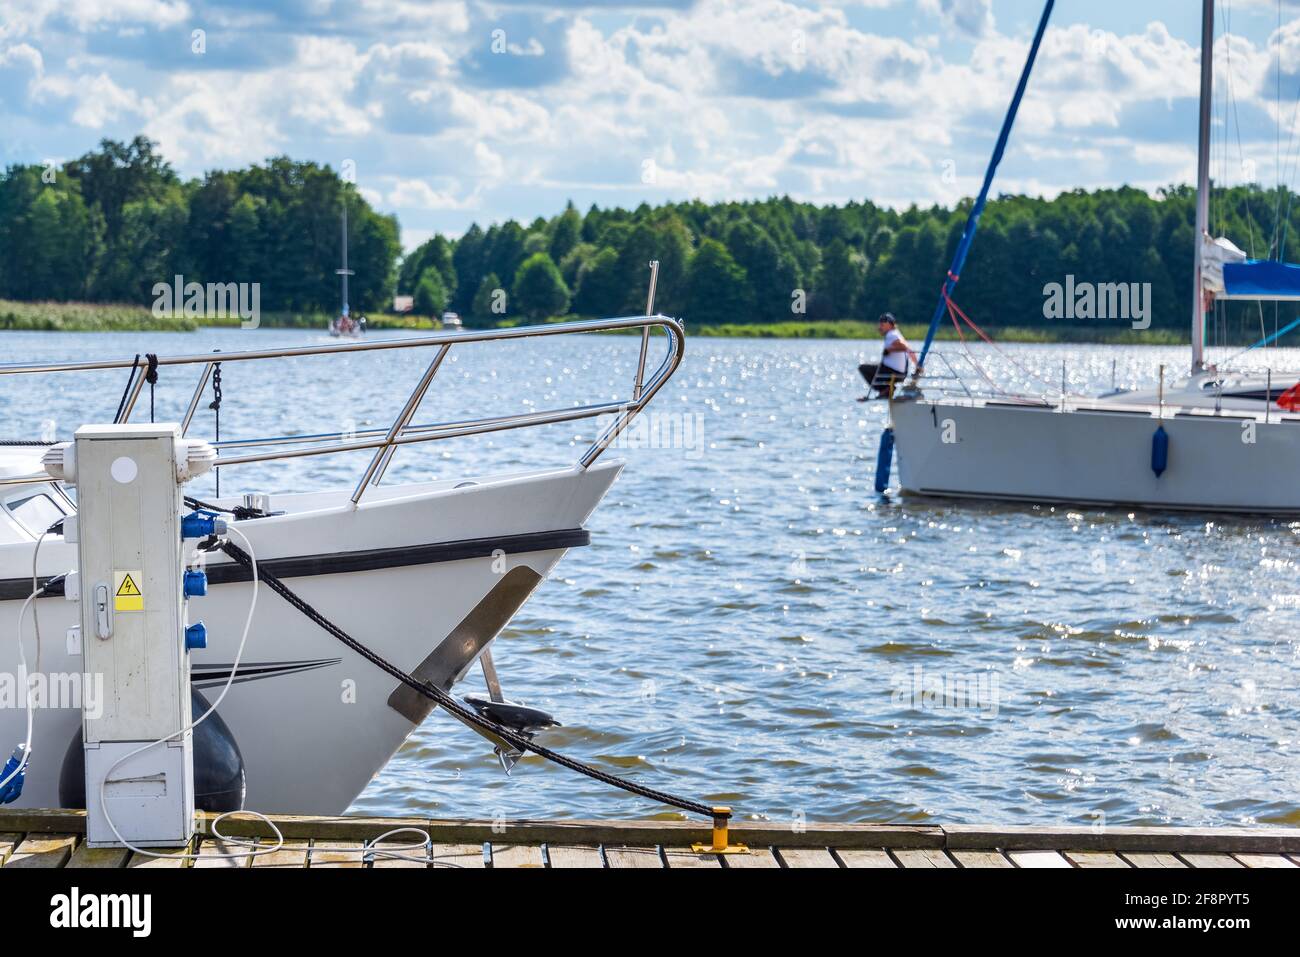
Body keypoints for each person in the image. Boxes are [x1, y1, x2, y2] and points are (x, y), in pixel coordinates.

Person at [858, 312, 918, 400]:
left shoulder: (891, 335)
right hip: (901, 373)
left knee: (863, 368)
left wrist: (889, 350)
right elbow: (909, 350)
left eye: (882, 325)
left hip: (893, 372)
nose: (879, 328)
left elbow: (904, 347)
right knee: (874, 366)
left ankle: (886, 389)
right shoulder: (896, 334)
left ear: (889, 325)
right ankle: (886, 389)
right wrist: (917, 365)